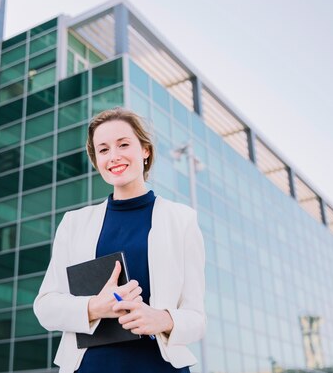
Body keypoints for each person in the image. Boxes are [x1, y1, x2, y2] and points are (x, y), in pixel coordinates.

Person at [34, 107, 206, 373]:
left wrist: (162, 319)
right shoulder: (74, 223)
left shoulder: (181, 220)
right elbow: (45, 307)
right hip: (90, 366)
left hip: (159, 366)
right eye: (103, 150)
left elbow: (196, 318)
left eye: (123, 144)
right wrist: (95, 306)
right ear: (96, 160)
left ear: (145, 150)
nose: (114, 156)